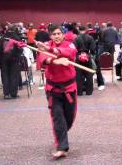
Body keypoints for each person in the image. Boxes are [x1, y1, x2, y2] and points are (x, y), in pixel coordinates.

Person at [36, 25, 77, 159]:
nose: (57, 36)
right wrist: (54, 60)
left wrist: (53, 50)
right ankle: (62, 147)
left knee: (69, 118)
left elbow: (70, 53)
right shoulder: (45, 45)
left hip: (69, 88)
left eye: (59, 33)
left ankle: (62, 135)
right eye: (54, 34)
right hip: (53, 89)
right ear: (50, 36)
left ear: (63, 35)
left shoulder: (69, 45)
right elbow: (42, 59)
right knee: (58, 118)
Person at [0, 24, 23, 99]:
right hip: (14, 60)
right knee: (14, 76)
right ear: (14, 29)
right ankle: (13, 93)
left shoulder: (2, 37)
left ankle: (6, 94)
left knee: (5, 76)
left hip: (4, 60)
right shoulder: (17, 37)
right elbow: (21, 49)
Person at [74, 25, 96, 96]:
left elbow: (74, 49)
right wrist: (90, 54)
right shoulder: (90, 37)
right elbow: (93, 49)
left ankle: (79, 92)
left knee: (78, 76)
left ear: (79, 30)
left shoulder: (76, 38)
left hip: (78, 58)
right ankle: (89, 92)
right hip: (87, 57)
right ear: (86, 30)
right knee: (89, 75)